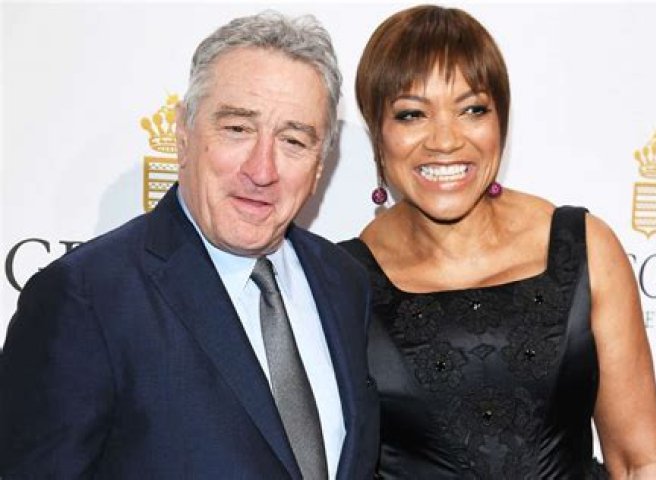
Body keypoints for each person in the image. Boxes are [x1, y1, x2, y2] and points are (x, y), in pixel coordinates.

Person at [0, 11, 379, 479]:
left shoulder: (344, 283)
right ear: (183, 135)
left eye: (294, 140)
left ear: (320, 165)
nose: (262, 170)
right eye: (237, 129)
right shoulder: (84, 298)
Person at [340, 5, 656, 479]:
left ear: (502, 121)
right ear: (378, 132)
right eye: (412, 115)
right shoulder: (342, 282)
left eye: (472, 109)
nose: (445, 141)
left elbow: (639, 463)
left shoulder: (584, 249)